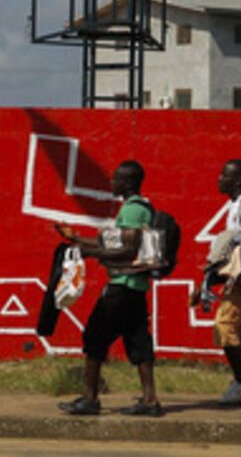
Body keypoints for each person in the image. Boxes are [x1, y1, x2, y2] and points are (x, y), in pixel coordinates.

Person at [54, 160, 163, 417]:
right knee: (138, 340)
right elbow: (114, 242)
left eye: (116, 179)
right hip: (135, 286)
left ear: (127, 182)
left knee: (94, 336)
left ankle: (90, 399)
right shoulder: (141, 207)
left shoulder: (133, 210)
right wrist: (77, 238)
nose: (112, 183)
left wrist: (90, 253)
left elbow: (128, 249)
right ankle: (150, 401)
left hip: (122, 286)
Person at [192, 159, 241, 406]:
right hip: (240, 277)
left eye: (225, 175)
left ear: (239, 180)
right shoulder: (235, 205)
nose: (220, 179)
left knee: (224, 324)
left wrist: (229, 243)